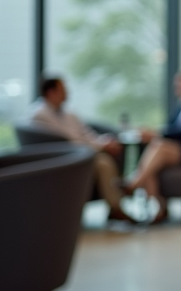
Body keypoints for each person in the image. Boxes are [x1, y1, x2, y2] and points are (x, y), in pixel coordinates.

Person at [27, 76, 136, 224]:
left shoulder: (69, 113)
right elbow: (67, 142)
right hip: (68, 159)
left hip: (86, 151)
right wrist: (99, 146)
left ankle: (118, 199)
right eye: (63, 89)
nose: (67, 93)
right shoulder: (40, 115)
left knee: (110, 154)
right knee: (104, 164)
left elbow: (86, 133)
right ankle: (116, 207)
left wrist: (103, 141)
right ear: (51, 92)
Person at [125, 72, 181, 224]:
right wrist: (154, 133)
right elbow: (171, 127)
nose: (177, 88)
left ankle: (134, 182)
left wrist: (157, 134)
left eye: (180, 85)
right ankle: (160, 209)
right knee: (151, 166)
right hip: (172, 151)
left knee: (158, 147)